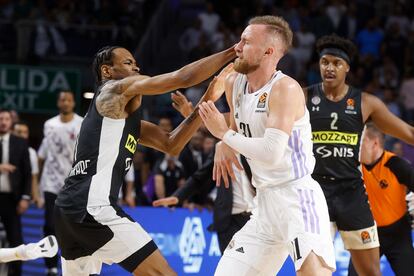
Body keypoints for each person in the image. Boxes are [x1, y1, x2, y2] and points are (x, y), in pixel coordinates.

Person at [54, 45, 235, 276]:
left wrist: (208, 98)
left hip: (67, 212)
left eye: (135, 62)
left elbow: (172, 144)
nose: (136, 66)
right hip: (93, 208)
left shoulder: (122, 121)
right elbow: (182, 77)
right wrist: (231, 52)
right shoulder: (113, 90)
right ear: (107, 71)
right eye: (128, 63)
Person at [199, 15, 335, 275]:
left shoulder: (286, 89)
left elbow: (271, 153)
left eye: (246, 41)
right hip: (263, 203)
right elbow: (238, 129)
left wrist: (224, 137)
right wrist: (223, 143)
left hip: (297, 198)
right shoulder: (234, 84)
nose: (237, 47)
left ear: (268, 51)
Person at [304, 34, 414, 276]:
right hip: (315, 193)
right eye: (324, 62)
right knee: (311, 273)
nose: (329, 67)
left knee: (370, 273)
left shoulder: (365, 103)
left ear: (347, 68)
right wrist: (226, 140)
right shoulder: (302, 97)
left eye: (336, 63)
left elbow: (408, 132)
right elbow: (262, 122)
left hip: (351, 192)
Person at [153, 92, 255, 253]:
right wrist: (178, 196)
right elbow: (199, 177)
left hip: (256, 217)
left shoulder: (253, 144)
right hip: (229, 219)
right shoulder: (220, 148)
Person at [347, 123, 414, 276]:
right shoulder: (353, 167)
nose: (356, 147)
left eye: (360, 142)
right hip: (368, 233)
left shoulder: (396, 164)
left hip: (398, 233)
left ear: (375, 143)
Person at [38, 90, 83, 276]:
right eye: (62, 100)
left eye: (69, 100)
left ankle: (74, 266)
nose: (65, 103)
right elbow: (43, 155)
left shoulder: (81, 123)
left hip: (74, 185)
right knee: (49, 225)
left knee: (74, 226)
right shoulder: (49, 125)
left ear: (73, 103)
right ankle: (50, 266)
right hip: (51, 184)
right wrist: (36, 188)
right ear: (58, 103)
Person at [0, 110, 31, 276]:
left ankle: (16, 273)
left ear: (11, 122)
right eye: (0, 119)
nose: (3, 122)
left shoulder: (19, 142)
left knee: (16, 240)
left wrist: (26, 198)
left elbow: (28, 173)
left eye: (6, 119)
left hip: (12, 199)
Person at [12, 121, 42, 208]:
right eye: (19, 132)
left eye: (25, 132)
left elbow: (33, 177)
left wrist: (36, 196)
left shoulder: (32, 153)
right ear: (12, 133)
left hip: (21, 196)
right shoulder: (3, 147)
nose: (22, 135)